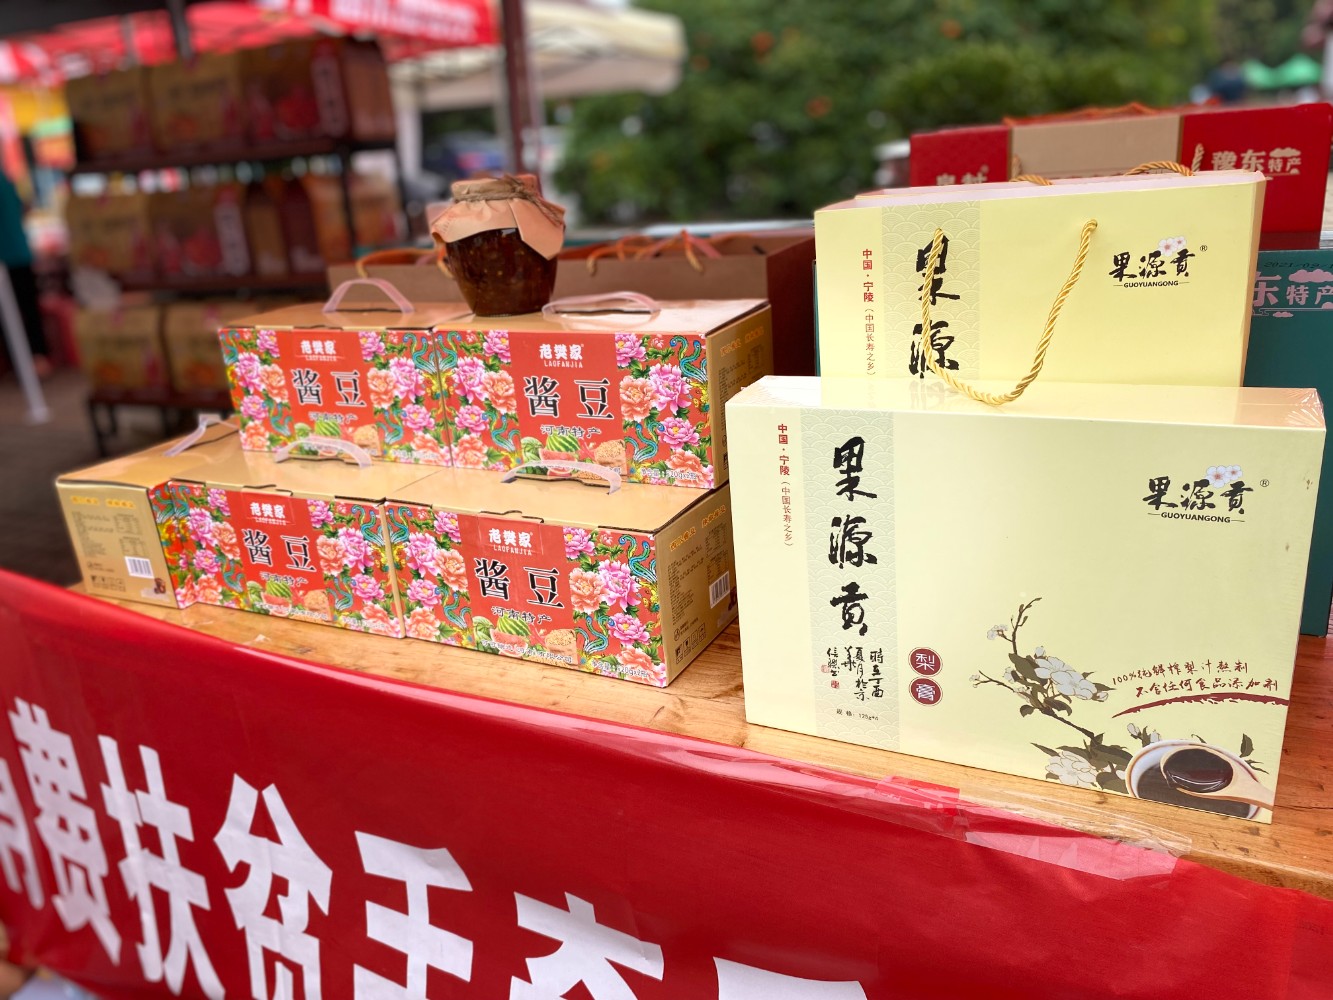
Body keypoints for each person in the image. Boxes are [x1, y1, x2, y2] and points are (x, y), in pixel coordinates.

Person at [0, 168, 50, 378]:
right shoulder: (6, 180)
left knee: (10, 315)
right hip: (20, 254)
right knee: (29, 310)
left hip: (8, 257)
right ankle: (38, 360)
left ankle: (23, 364)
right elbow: (23, 207)